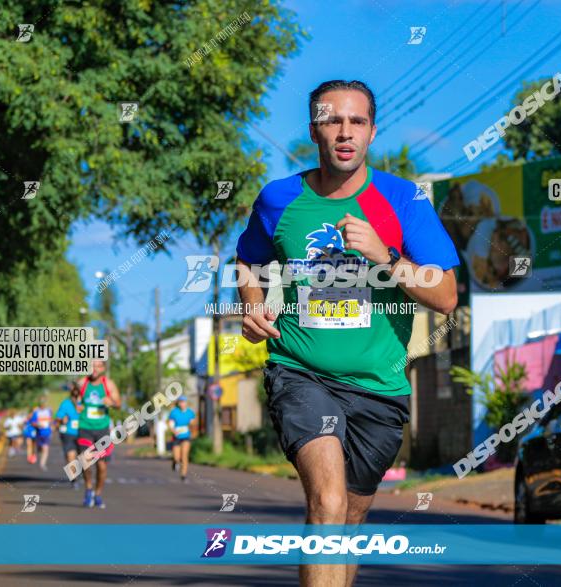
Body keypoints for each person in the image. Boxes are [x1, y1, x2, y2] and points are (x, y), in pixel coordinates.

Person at [236, 80, 459, 586]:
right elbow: (248, 260)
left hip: (379, 387)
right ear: (314, 128)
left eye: (356, 121)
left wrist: (387, 257)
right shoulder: (279, 199)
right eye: (332, 120)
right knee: (328, 503)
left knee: (351, 521)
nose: (344, 131)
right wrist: (251, 309)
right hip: (301, 373)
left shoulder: (402, 200)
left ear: (372, 132)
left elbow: (446, 294)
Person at [76, 360, 121, 509]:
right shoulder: (82, 382)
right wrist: (77, 404)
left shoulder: (108, 384)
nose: (94, 369)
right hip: (85, 427)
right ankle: (88, 488)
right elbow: (74, 396)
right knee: (85, 461)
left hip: (102, 429)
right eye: (92, 366)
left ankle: (98, 493)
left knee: (101, 466)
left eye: (98, 366)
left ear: (103, 368)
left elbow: (119, 404)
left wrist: (112, 402)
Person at [55, 383, 82, 488]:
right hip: (69, 433)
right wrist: (62, 420)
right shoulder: (66, 403)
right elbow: (58, 418)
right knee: (70, 456)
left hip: (83, 433)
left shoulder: (85, 403)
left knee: (81, 457)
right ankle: (74, 479)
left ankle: (78, 473)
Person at [167, 395, 196, 482]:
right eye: (181, 402)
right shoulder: (174, 412)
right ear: (178, 403)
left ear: (186, 403)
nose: (182, 403)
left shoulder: (190, 412)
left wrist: (192, 426)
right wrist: (173, 430)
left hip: (186, 436)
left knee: (184, 456)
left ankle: (183, 475)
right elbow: (171, 423)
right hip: (176, 436)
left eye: (184, 402)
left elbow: (193, 423)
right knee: (176, 457)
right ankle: (175, 462)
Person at [29, 397, 53, 471]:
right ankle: (38, 455)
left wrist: (52, 426)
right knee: (40, 448)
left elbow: (51, 420)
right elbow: (32, 423)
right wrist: (38, 425)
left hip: (47, 433)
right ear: (40, 404)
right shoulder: (36, 412)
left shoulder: (49, 411)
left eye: (44, 403)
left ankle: (42, 464)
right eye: (42, 403)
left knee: (45, 448)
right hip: (39, 433)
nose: (43, 404)